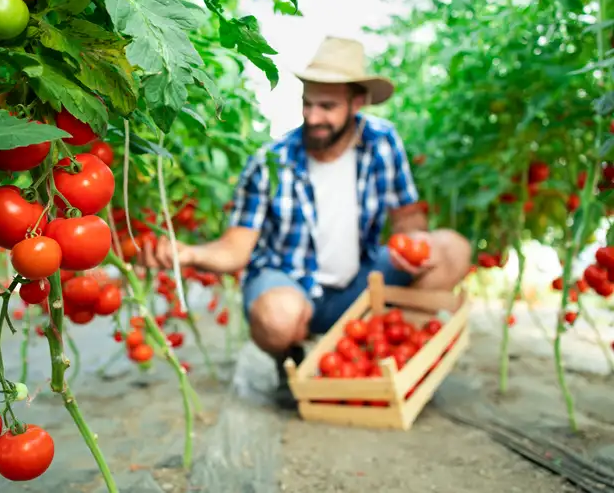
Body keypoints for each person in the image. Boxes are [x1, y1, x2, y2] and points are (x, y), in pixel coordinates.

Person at [139, 37, 471, 408]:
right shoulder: (271, 161)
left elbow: (407, 215)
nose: (313, 117)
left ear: (356, 103)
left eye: (327, 107)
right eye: (307, 104)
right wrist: (189, 253)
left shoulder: (382, 142)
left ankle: (389, 351)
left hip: (359, 286)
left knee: (452, 249)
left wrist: (413, 247)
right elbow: (236, 248)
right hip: (291, 286)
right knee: (277, 316)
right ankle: (291, 360)